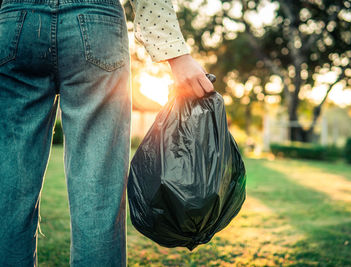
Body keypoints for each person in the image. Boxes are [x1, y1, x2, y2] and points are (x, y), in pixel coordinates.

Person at [0, 0, 214, 265]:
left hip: (14, 22)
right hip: (95, 21)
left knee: (8, 197)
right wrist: (176, 54)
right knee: (97, 198)